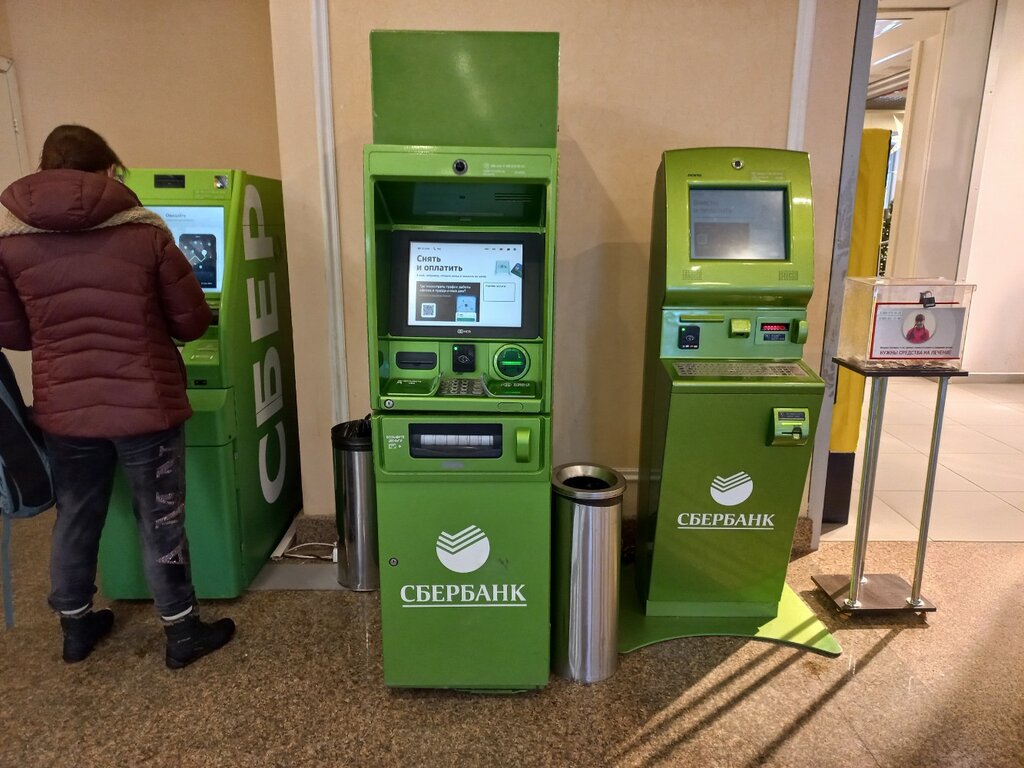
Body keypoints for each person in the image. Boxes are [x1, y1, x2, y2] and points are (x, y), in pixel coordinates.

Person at [0, 125, 234, 668]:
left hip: (65, 409)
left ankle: (75, 628)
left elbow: (13, 334)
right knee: (160, 518)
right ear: (108, 170)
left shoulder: (11, 243)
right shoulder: (145, 233)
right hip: (146, 404)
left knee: (76, 515)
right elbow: (192, 322)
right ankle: (181, 633)